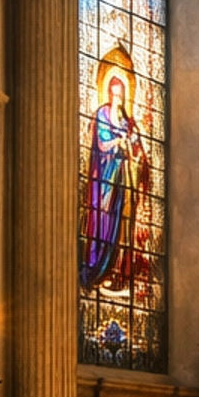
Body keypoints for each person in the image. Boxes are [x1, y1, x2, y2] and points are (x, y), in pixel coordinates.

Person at [81, 63, 151, 292]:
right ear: (109, 93)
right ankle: (98, 268)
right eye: (114, 94)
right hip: (105, 177)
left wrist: (133, 144)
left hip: (123, 177)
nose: (118, 100)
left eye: (121, 96)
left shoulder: (126, 121)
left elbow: (136, 147)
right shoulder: (102, 114)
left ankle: (118, 270)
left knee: (122, 222)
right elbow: (101, 143)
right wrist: (117, 142)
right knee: (104, 218)